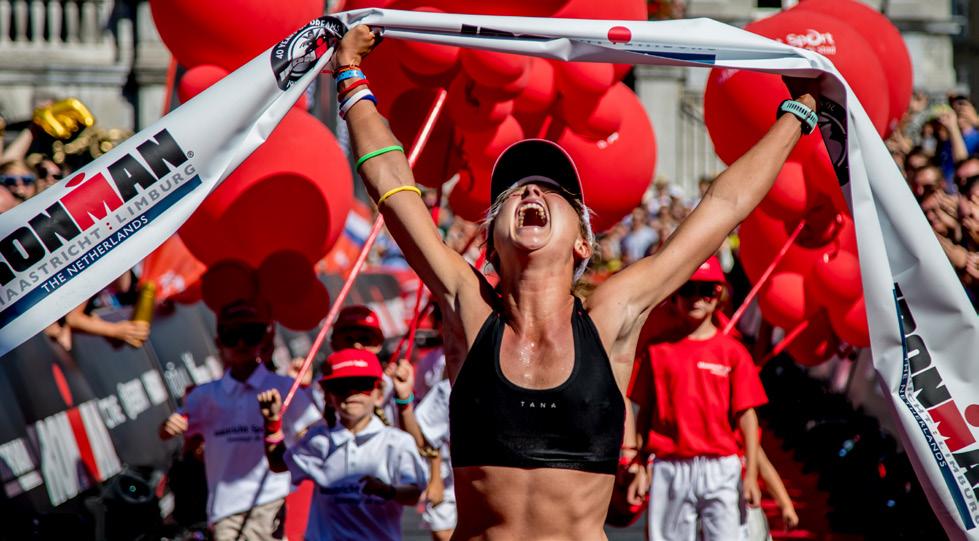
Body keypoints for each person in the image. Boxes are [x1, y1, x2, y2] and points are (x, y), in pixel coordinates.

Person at [333, 24, 820, 539]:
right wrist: (348, 75)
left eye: (549, 190)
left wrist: (799, 113)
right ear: (492, 243)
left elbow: (723, 207)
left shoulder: (612, 316)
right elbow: (392, 186)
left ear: (582, 243)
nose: (528, 195)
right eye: (514, 194)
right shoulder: (467, 306)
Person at [628, 257, 768, 541]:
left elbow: (747, 417)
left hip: (722, 466)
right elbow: (644, 412)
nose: (696, 298)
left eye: (707, 290)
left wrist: (751, 474)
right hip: (669, 464)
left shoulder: (733, 352)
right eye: (688, 289)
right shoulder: (657, 350)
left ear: (720, 295)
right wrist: (639, 464)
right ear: (675, 296)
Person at [158, 299, 321, 540]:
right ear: (218, 342)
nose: (242, 343)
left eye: (250, 334)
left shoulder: (285, 387)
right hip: (225, 509)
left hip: (273, 501)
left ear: (264, 341)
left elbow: (314, 434)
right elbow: (169, 432)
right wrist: (170, 426)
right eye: (232, 335)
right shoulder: (204, 395)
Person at [256, 349, 427, 541]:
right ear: (328, 396)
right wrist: (272, 423)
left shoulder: (397, 442)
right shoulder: (317, 440)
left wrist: (386, 490)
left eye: (362, 385)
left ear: (378, 392)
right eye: (341, 386)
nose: (351, 393)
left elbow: (415, 493)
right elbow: (279, 464)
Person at [391, 358, 456, 541]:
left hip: (501, 489)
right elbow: (425, 437)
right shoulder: (449, 387)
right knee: (444, 534)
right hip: (451, 477)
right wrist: (404, 402)